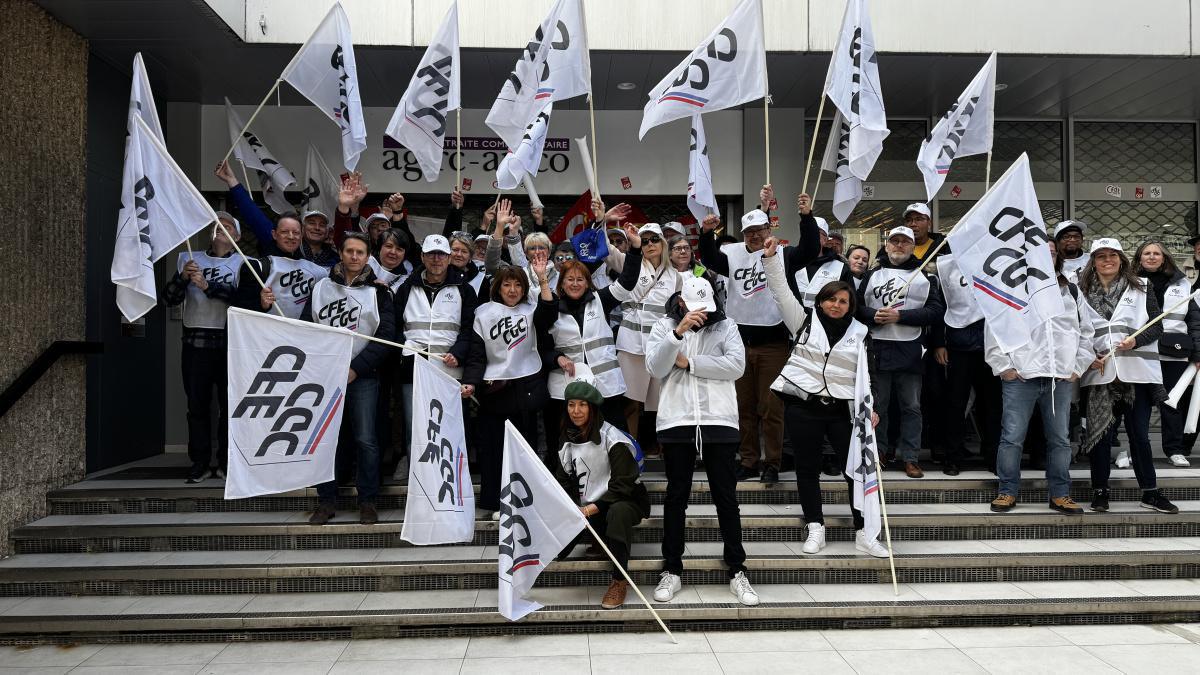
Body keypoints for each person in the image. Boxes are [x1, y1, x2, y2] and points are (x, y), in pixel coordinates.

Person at [761, 237, 888, 557]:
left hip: (842, 412)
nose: (836, 305)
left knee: (855, 471)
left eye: (843, 301)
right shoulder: (802, 321)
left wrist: (872, 407)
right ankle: (815, 526)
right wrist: (772, 259)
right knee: (807, 469)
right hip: (804, 408)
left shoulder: (860, 332)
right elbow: (780, 290)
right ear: (820, 302)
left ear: (850, 305)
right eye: (831, 299)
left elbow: (869, 376)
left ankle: (864, 532)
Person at [646, 274, 758, 606]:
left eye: (705, 308)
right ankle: (672, 569)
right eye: (695, 308)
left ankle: (737, 569)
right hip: (677, 419)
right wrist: (677, 334)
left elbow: (735, 366)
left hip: (718, 419)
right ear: (681, 302)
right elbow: (656, 367)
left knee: (726, 497)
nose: (702, 314)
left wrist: (690, 363)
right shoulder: (664, 326)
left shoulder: (726, 326)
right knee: (676, 497)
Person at [987, 238, 1092, 514]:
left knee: (1059, 439)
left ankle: (1060, 494)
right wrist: (1003, 367)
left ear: (1058, 258)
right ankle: (1007, 491)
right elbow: (995, 328)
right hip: (1022, 376)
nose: (1046, 257)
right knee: (1012, 437)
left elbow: (1086, 331)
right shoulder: (1012, 288)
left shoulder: (1070, 291)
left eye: (1052, 253)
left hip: (1059, 378)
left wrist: (1077, 367)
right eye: (1039, 253)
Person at [1079, 238, 1178, 514]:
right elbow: (1074, 330)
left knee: (1140, 437)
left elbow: (1157, 326)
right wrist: (1086, 357)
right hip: (1099, 374)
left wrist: (1136, 341)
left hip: (1136, 375)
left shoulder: (1142, 286)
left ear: (1122, 259)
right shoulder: (1080, 291)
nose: (1107, 260)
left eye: (1113, 255)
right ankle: (1100, 491)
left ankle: (1150, 492)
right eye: (1101, 256)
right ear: (1093, 261)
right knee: (1099, 437)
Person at [303, 232, 395, 525]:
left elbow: (386, 337)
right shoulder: (320, 288)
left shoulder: (379, 293)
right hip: (325, 375)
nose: (354, 256)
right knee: (326, 438)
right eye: (349, 251)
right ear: (340, 253)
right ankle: (326, 500)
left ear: (368, 257)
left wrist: (356, 368)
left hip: (363, 377)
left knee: (366, 439)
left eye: (360, 252)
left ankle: (367, 500)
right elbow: (305, 329)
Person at [698, 205, 791, 485]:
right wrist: (707, 233)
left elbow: (811, 249)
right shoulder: (733, 254)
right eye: (749, 232)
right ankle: (749, 460)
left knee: (771, 407)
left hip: (773, 343)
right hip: (739, 344)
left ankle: (772, 462)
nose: (754, 236)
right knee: (743, 406)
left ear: (769, 230)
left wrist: (805, 216)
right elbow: (710, 258)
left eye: (759, 230)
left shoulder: (784, 254)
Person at [463, 261, 557, 516]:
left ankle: (526, 502)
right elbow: (476, 355)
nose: (513, 290)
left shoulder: (531, 310)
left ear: (524, 289)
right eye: (507, 284)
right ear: (498, 288)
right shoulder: (484, 313)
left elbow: (549, 313)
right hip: (494, 391)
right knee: (494, 449)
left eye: (518, 285)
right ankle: (495, 502)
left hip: (525, 389)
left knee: (526, 449)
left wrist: (543, 280)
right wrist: (470, 381)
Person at [856, 226, 945, 478]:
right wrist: (873, 315)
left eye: (904, 242)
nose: (898, 245)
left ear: (912, 246)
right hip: (877, 348)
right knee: (879, 406)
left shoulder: (925, 276)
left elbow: (935, 311)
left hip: (911, 350)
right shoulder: (871, 275)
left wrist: (900, 316)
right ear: (886, 245)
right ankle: (879, 452)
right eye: (894, 241)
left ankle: (911, 457)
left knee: (911, 407)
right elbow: (857, 307)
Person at [555, 379, 650, 609]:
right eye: (571, 404)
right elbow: (563, 480)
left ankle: (619, 581)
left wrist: (589, 510)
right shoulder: (567, 438)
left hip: (625, 501)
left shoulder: (613, 438)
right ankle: (599, 536)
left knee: (617, 512)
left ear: (592, 408)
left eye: (582, 405)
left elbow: (622, 486)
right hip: (589, 506)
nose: (576, 411)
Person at [164, 215, 242, 483]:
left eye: (228, 226)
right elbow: (169, 299)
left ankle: (226, 461)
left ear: (237, 237)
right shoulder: (189, 259)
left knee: (229, 407)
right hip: (196, 342)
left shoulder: (244, 263)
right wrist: (183, 278)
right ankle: (200, 462)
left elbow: (242, 298)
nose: (222, 229)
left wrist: (209, 286)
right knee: (197, 405)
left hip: (230, 342)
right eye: (217, 226)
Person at [540, 246, 639, 448]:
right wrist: (557, 358)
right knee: (565, 443)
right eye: (570, 279)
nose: (575, 284)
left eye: (580, 279)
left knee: (616, 440)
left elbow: (628, 280)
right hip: (566, 388)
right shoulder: (551, 308)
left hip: (605, 387)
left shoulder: (601, 300)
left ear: (587, 283)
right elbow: (541, 347)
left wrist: (635, 249)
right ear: (561, 283)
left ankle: (624, 470)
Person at [607, 222, 681, 454]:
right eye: (645, 240)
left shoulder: (676, 276)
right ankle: (630, 453)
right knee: (630, 403)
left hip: (661, 347)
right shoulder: (630, 263)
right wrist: (602, 219)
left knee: (661, 404)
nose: (650, 244)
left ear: (663, 243)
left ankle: (663, 451)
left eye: (654, 239)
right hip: (631, 344)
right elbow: (606, 250)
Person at [932, 247, 1001, 475]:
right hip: (958, 346)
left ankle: (993, 457)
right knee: (955, 405)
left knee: (992, 406)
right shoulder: (948, 266)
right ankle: (953, 457)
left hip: (992, 346)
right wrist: (939, 342)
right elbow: (940, 307)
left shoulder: (996, 261)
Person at [1133, 240, 1200, 467]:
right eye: (1147, 253)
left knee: (1172, 403)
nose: (1152, 257)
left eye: (1157, 253)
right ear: (1139, 258)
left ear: (1164, 258)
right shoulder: (1129, 282)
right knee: (1138, 405)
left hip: (1173, 353)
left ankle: (1174, 450)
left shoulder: (1183, 283)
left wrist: (1197, 353)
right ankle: (1137, 449)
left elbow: (1194, 321)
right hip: (1138, 353)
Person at [213, 160, 338, 268]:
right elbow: (254, 216)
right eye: (311, 223)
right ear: (302, 231)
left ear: (328, 231)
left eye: (322, 225)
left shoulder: (336, 258)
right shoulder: (282, 245)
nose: (317, 228)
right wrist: (232, 181)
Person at [230, 213, 329, 319]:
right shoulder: (257, 267)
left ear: (301, 236)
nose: (291, 236)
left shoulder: (317, 271)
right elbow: (239, 312)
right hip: (266, 328)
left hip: (301, 329)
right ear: (274, 234)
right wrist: (262, 304)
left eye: (296, 232)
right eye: (284, 232)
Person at [790, 195, 856, 309]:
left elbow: (850, 303)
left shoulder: (841, 268)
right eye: (808, 231)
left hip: (823, 320)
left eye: (817, 232)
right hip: (792, 319)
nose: (812, 234)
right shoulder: (790, 261)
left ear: (826, 240)